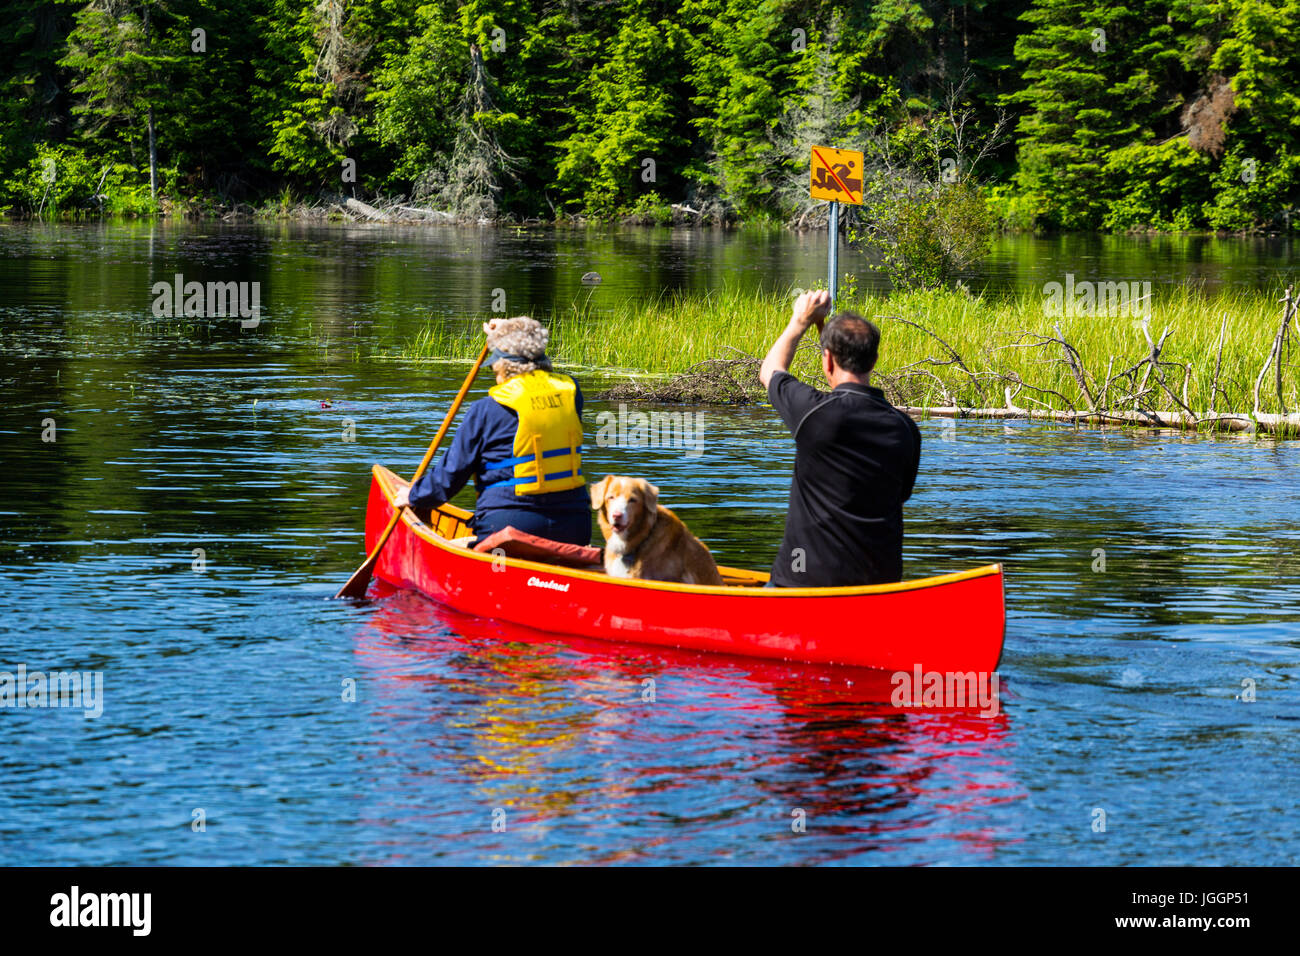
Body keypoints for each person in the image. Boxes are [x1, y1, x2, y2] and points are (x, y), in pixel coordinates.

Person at [757, 290, 921, 587]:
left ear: (827, 360)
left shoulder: (814, 414)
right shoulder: (906, 429)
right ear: (874, 360)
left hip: (805, 578)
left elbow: (770, 371)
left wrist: (799, 322)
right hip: (879, 584)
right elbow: (901, 496)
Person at [393, 316, 592, 546]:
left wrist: (414, 495)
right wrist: (504, 334)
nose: (495, 374)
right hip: (574, 528)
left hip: (509, 529)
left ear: (504, 366)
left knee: (461, 543)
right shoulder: (572, 394)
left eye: (495, 366)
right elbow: (536, 369)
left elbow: (450, 477)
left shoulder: (485, 409)